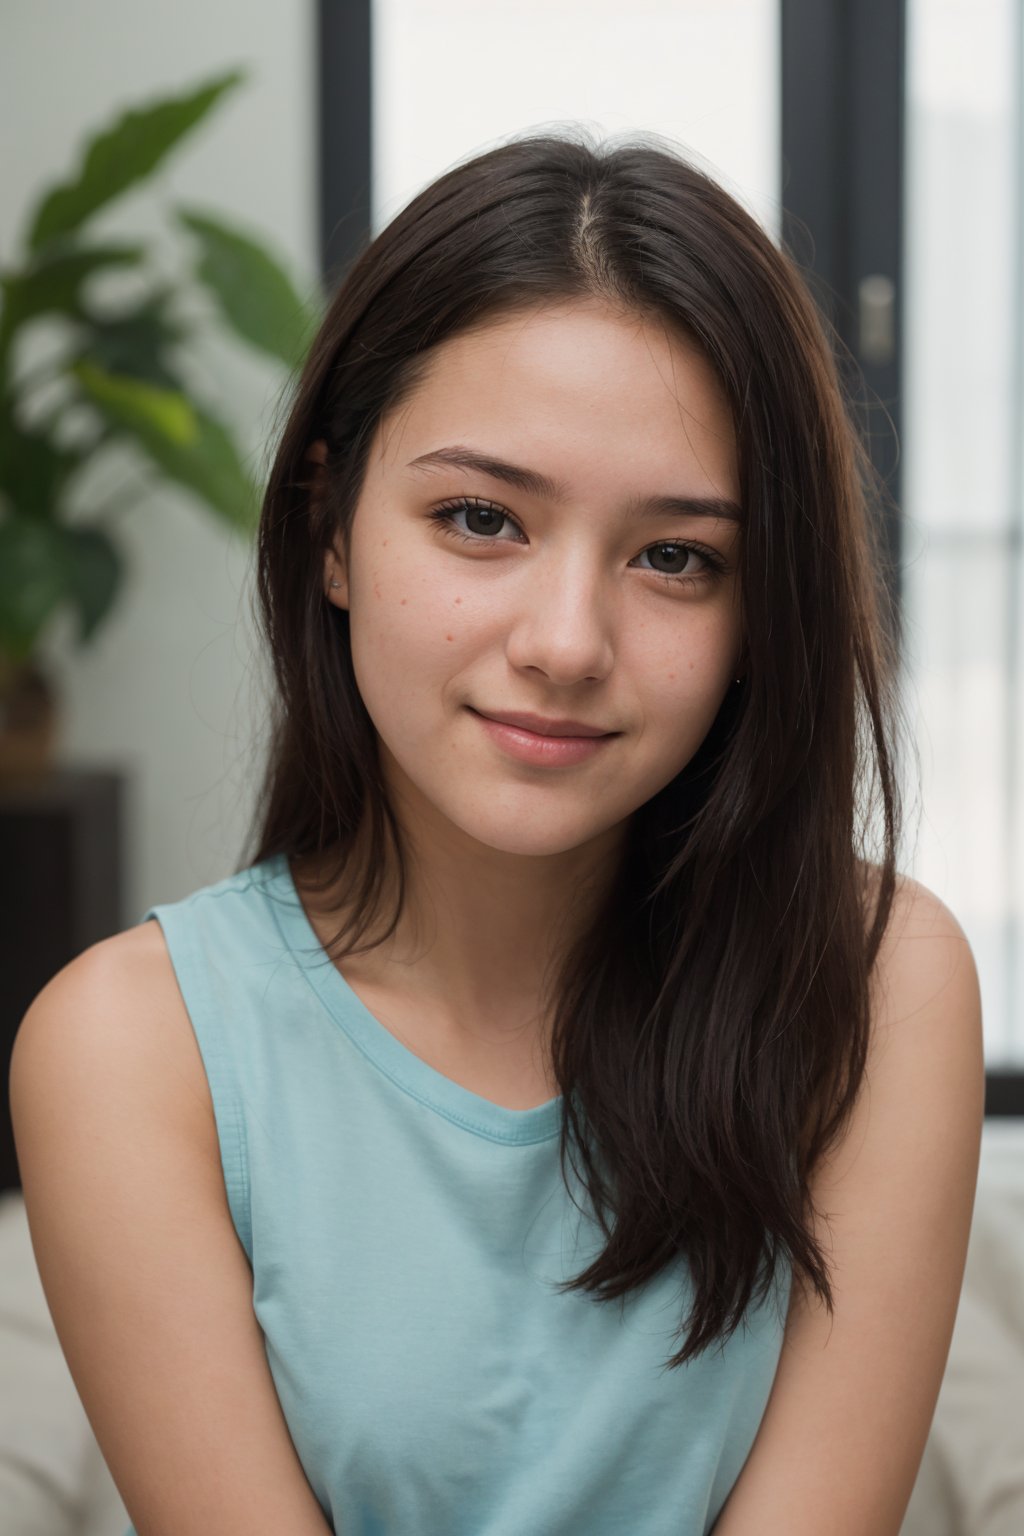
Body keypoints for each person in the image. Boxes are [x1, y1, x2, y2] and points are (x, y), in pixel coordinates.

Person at [10, 129, 984, 1536]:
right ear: (332, 529)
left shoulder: (880, 983)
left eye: (676, 558)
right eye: (481, 518)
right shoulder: (128, 1050)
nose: (569, 642)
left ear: (760, 608)